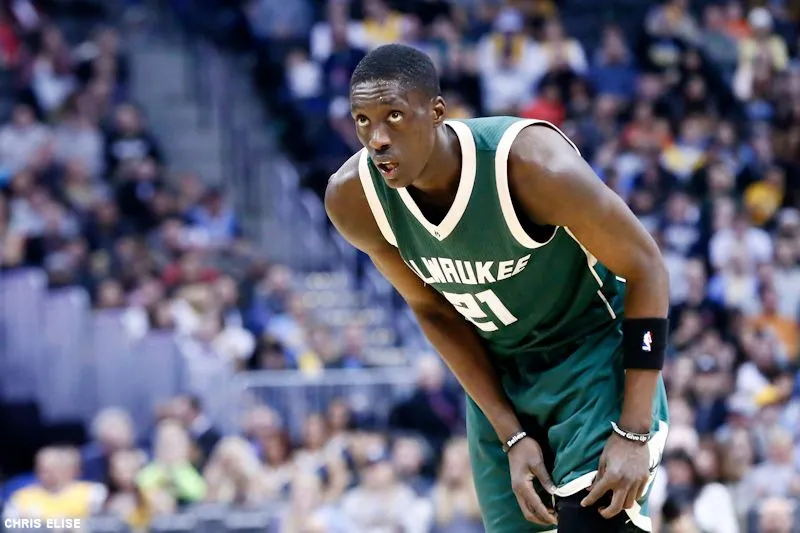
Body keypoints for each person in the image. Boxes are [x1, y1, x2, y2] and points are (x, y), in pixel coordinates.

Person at [325, 44, 671, 533]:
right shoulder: (354, 199)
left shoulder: (530, 165)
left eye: (394, 116)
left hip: (590, 358)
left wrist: (634, 430)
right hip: (501, 378)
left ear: (437, 112)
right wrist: (510, 434)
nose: (376, 139)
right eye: (362, 121)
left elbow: (648, 268)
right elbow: (433, 310)